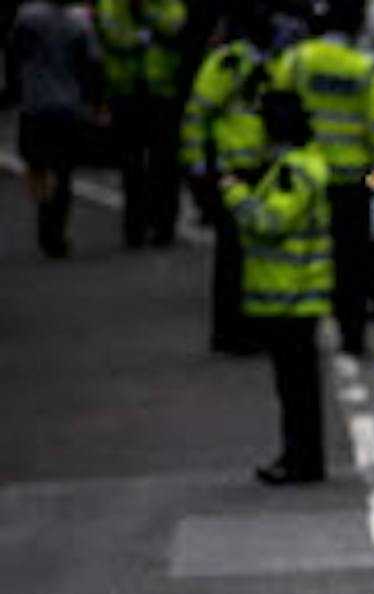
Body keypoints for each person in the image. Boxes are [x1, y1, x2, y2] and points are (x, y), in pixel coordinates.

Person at [269, 0, 374, 356]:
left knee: (298, 257)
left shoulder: (297, 60)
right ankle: (352, 336)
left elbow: (276, 106)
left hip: (304, 179)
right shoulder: (364, 68)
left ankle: (295, 332)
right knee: (352, 263)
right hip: (354, 183)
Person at [227, 88, 330, 484]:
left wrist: (235, 194)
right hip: (293, 295)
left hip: (291, 296)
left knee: (296, 388)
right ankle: (301, 457)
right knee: (297, 386)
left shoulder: (293, 172)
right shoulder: (294, 165)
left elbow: (271, 223)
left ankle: (300, 461)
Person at [183, 1, 273, 352]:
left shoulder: (267, 63)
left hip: (260, 170)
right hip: (232, 171)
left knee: (253, 257)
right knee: (232, 257)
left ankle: (248, 327)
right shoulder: (227, 64)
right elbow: (197, 114)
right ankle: (228, 331)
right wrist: (197, 165)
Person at [6, 0, 102, 257]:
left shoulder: (27, 16)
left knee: (37, 163)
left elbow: (14, 53)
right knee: (62, 169)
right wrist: (95, 101)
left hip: (35, 103)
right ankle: (53, 227)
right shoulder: (79, 21)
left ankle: (46, 217)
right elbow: (91, 64)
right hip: (65, 104)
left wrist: (14, 89)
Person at [93, 0, 185, 246]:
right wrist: (141, 38)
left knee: (164, 163)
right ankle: (134, 228)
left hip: (161, 92)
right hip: (126, 92)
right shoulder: (111, 4)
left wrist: (147, 9)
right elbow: (115, 37)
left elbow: (176, 25)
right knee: (131, 165)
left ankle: (164, 227)